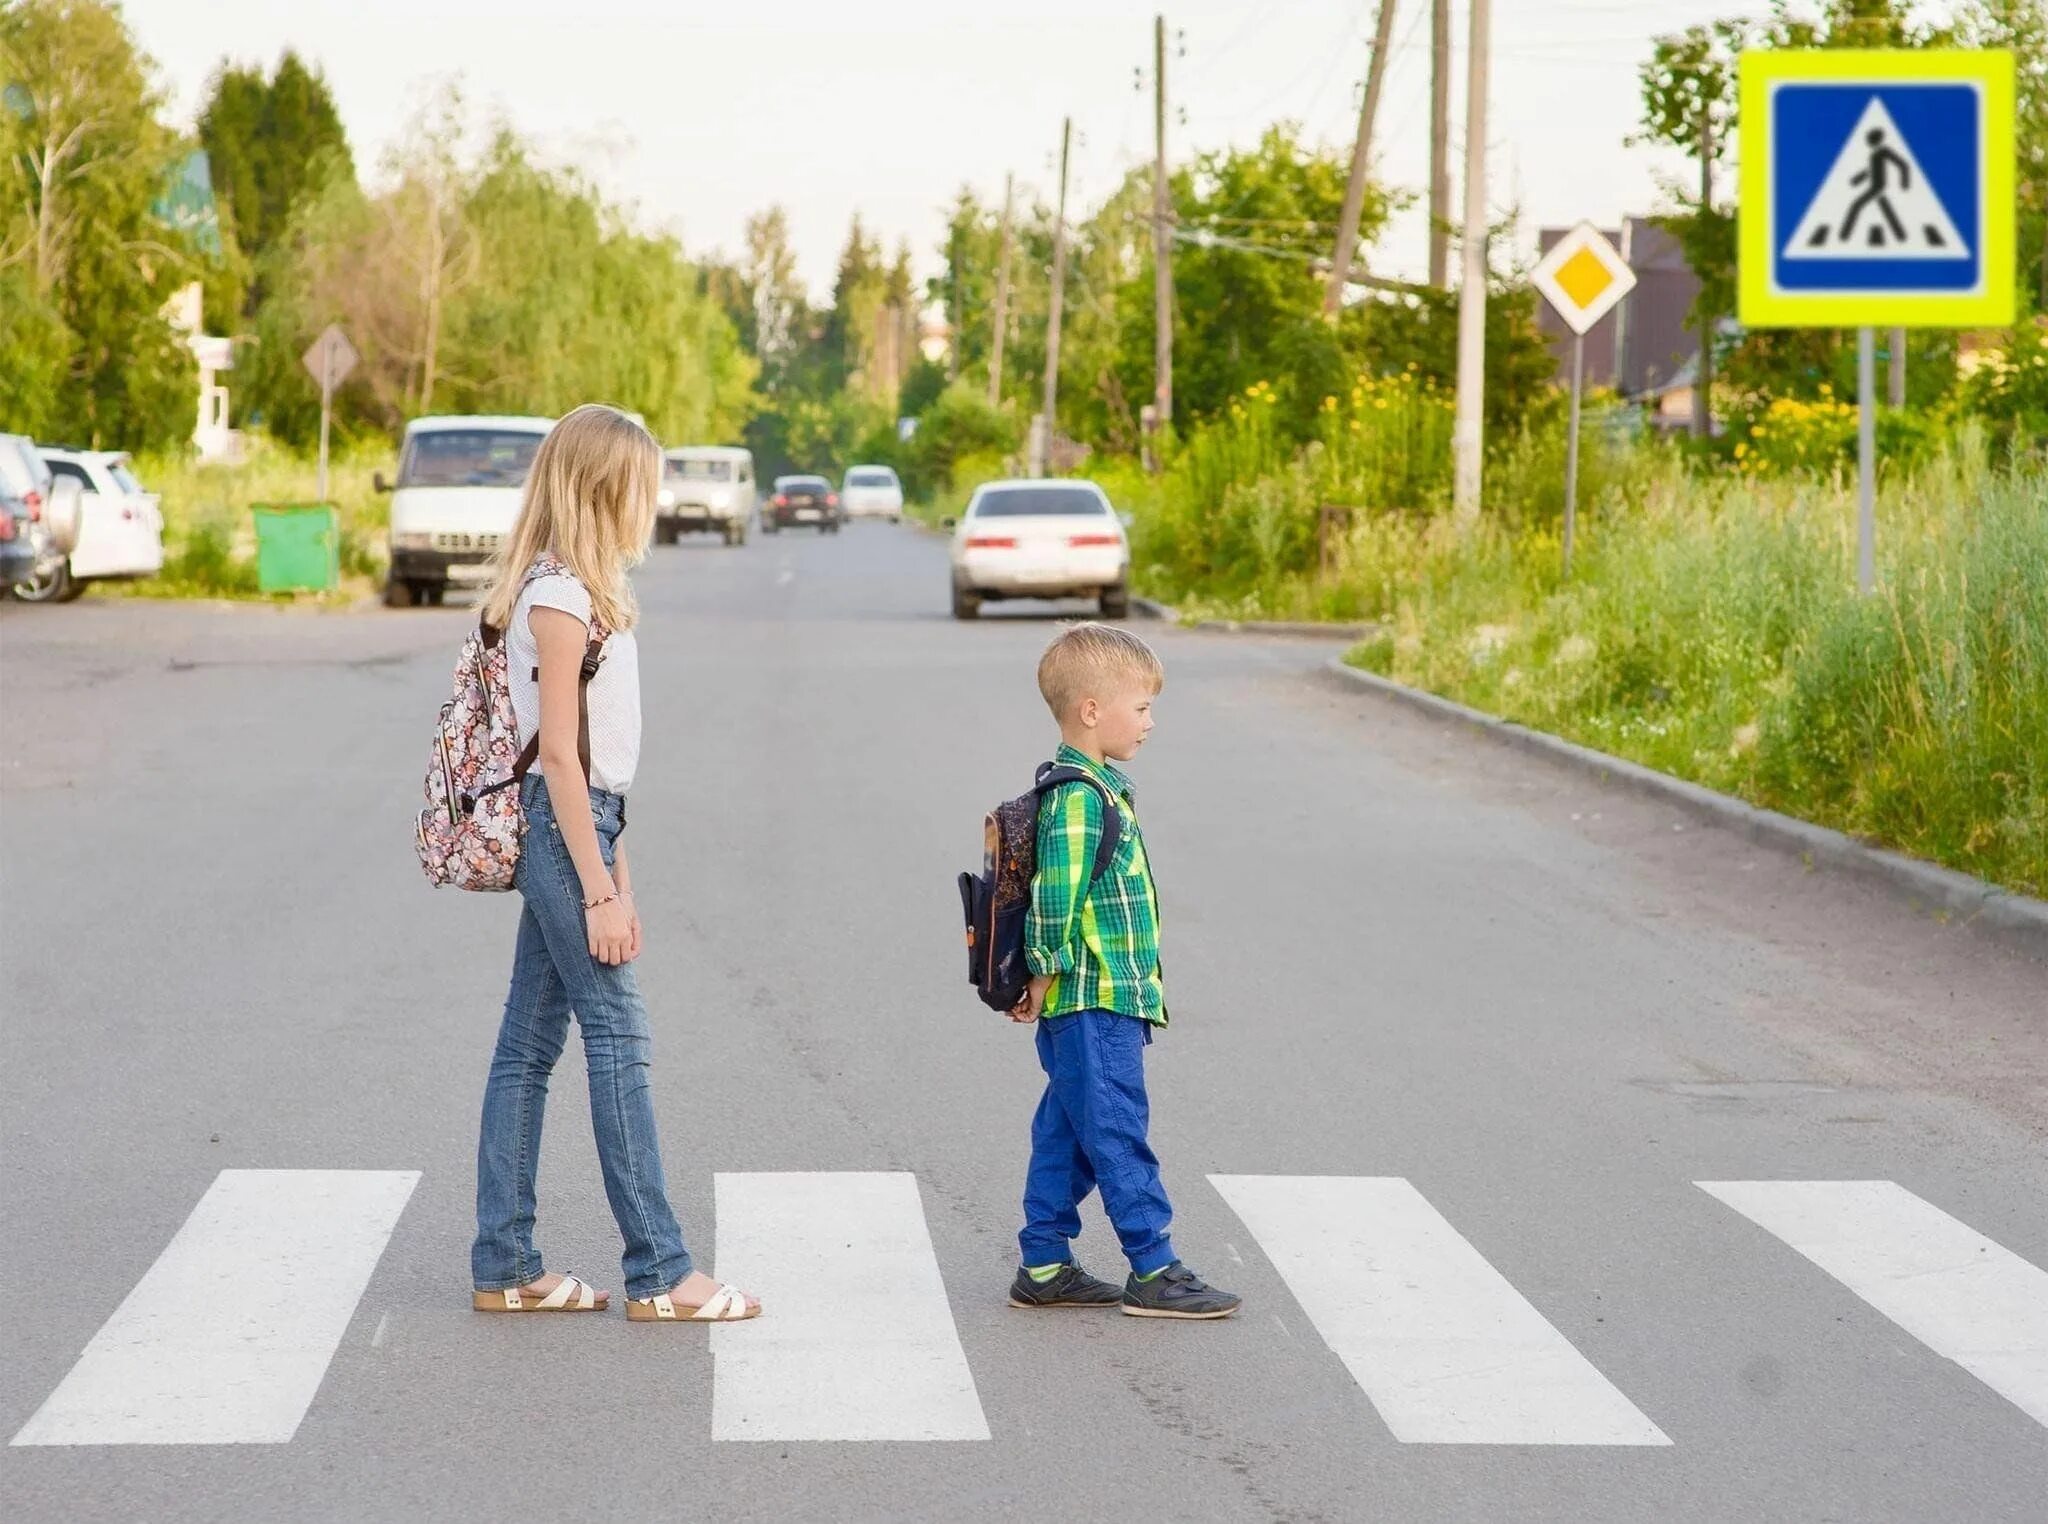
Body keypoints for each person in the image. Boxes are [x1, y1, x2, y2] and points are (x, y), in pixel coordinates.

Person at [468, 403, 760, 1324]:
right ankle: (660, 1271)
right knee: (619, 1039)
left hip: (585, 824)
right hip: (563, 829)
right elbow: (558, 756)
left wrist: (617, 865)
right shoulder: (559, 597)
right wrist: (597, 887)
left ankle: (507, 1263)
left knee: (528, 1045)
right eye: (644, 482)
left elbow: (593, 762)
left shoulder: (576, 589)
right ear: (606, 487)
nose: (655, 499)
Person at [1006, 623, 1242, 1319]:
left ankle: (1044, 1264)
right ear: (1091, 711)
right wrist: (1043, 974)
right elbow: (1056, 894)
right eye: (1140, 707)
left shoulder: (1100, 787)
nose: (1150, 721)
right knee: (1114, 1131)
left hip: (1106, 999)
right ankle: (1153, 1265)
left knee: (1070, 1134)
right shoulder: (1080, 797)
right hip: (1091, 1000)